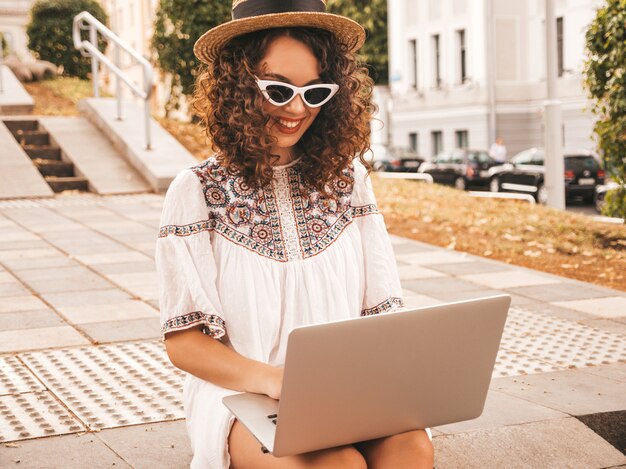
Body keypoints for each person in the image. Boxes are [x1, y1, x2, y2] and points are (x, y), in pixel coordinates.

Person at [155, 1, 435, 467]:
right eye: (278, 90)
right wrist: (274, 379)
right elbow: (184, 342)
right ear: (239, 87)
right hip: (243, 396)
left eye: (315, 91)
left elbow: (380, 311)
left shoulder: (349, 181)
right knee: (337, 463)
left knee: (412, 447)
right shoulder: (197, 191)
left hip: (347, 388)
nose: (298, 108)